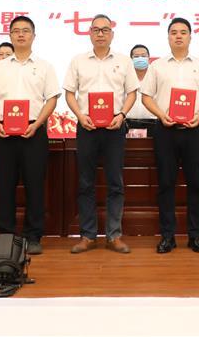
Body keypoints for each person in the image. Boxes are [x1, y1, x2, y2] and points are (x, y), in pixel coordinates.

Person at [140, 17, 199, 254]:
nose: (178, 36)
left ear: (190, 37)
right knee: (166, 184)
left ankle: (196, 236)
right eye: (174, 32)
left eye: (183, 32)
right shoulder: (157, 66)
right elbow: (146, 97)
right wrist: (161, 115)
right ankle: (168, 236)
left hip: (195, 131)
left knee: (196, 184)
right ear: (168, 37)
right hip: (165, 131)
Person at [0, 16, 60, 256]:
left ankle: (33, 236)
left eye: (26, 30)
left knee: (35, 185)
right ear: (10, 36)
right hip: (4, 131)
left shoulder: (45, 66)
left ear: (33, 36)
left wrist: (37, 124)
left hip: (33, 131)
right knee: (5, 185)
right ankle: (6, 235)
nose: (21, 34)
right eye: (16, 31)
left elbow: (52, 99)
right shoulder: (0, 67)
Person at [63, 15, 139, 255]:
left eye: (105, 30)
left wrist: (122, 114)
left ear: (112, 34)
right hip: (86, 127)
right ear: (89, 33)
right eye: (96, 30)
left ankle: (114, 235)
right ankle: (88, 236)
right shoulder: (78, 61)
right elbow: (69, 93)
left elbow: (132, 92)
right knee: (86, 182)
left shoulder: (124, 61)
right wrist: (79, 116)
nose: (100, 34)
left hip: (115, 127)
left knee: (115, 182)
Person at [125, 44, 157, 130]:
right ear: (131, 59)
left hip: (153, 122)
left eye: (143, 56)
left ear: (149, 58)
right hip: (127, 122)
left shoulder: (156, 77)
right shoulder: (125, 77)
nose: (140, 58)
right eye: (136, 56)